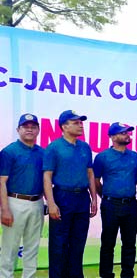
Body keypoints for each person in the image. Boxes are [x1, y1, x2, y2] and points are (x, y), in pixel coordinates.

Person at [43, 110, 98, 278]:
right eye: (76, 122)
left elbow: (90, 173)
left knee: (78, 242)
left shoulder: (85, 147)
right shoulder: (54, 147)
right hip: (62, 196)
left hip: (82, 198)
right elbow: (47, 176)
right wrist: (51, 203)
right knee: (59, 243)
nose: (80, 125)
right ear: (64, 126)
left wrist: (94, 198)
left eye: (81, 122)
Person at [0, 114, 45, 278]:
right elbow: (1, 182)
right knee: (9, 247)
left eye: (33, 127)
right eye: (26, 127)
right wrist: (5, 209)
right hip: (14, 202)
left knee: (32, 247)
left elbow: (47, 180)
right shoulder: (9, 152)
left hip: (37, 202)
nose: (30, 130)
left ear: (38, 130)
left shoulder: (42, 153)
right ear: (18, 129)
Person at [93, 122, 137, 278]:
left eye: (128, 132)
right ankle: (106, 275)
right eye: (123, 133)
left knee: (129, 244)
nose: (127, 135)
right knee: (108, 243)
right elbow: (95, 181)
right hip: (110, 205)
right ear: (112, 137)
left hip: (130, 204)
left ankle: (127, 274)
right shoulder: (102, 157)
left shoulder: (135, 156)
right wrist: (106, 196)